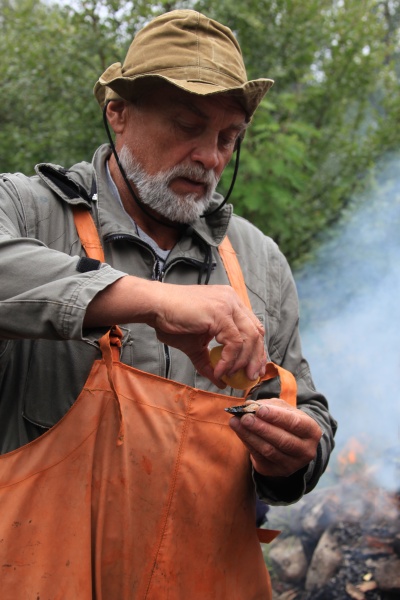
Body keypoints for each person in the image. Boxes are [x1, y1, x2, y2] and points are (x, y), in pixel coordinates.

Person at [0, 9, 336, 599]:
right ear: (118, 113)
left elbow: (305, 409)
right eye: (187, 125)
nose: (209, 156)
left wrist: (299, 453)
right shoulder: (29, 210)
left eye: (228, 137)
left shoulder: (259, 263)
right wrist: (151, 301)